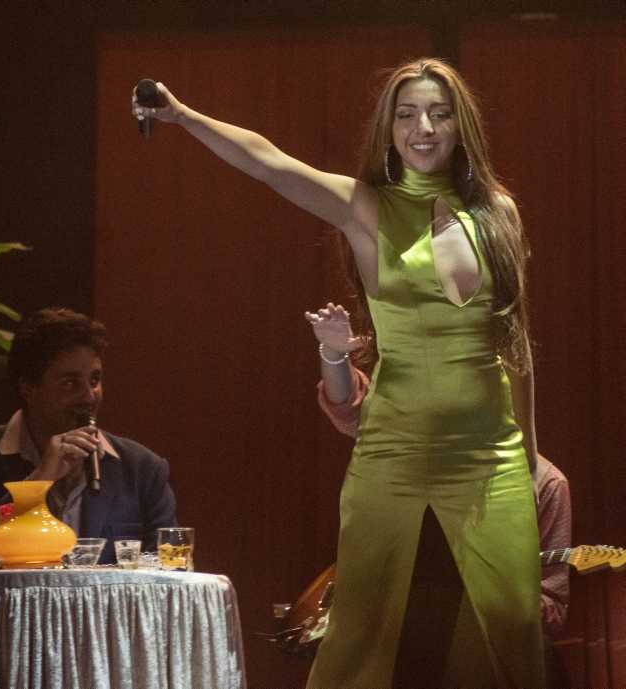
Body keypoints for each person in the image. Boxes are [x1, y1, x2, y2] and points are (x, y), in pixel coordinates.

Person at [134, 58, 542, 687]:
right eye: (407, 115)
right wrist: (183, 115)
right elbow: (269, 163)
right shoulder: (365, 206)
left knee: (514, 628)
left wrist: (531, 459)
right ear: (389, 129)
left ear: (461, 126)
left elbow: (516, 348)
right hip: (394, 450)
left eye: (439, 114)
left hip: (491, 455)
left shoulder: (497, 213)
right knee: (360, 628)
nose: (424, 128)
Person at [307, 303, 572, 687]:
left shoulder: (546, 484)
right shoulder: (408, 448)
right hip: (402, 637)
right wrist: (333, 354)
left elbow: (553, 606)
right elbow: (349, 405)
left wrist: (506, 593)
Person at [0, 307, 177, 566]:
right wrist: (38, 481)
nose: (89, 396)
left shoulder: (142, 469)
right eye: (70, 383)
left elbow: (167, 570)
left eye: (95, 380)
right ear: (28, 388)